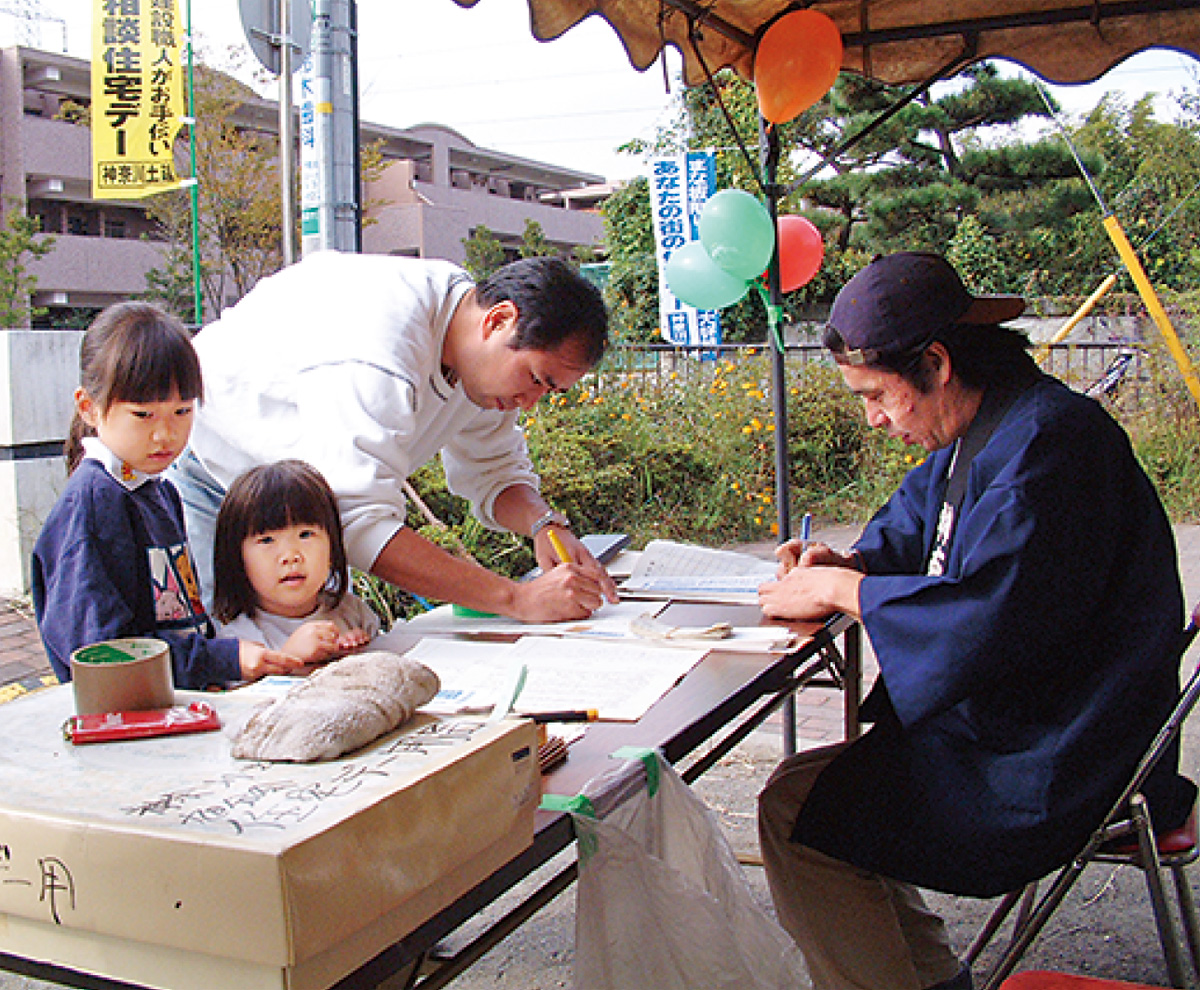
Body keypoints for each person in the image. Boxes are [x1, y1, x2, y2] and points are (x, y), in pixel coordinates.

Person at [755, 252, 1197, 990]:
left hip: (1062, 755)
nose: (873, 418)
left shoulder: (1048, 447)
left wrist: (839, 591)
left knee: (799, 812)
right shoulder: (991, 425)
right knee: (813, 794)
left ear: (936, 362)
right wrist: (847, 562)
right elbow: (913, 531)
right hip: (1034, 724)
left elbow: (988, 615)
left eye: (877, 395)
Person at [168, 251, 618, 623]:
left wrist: (544, 524)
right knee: (234, 658)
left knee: (308, 654)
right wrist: (516, 599)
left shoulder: (479, 360)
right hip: (212, 476)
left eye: (549, 390)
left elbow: (494, 472)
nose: (530, 401)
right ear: (499, 320)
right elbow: (356, 521)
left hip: (300, 510)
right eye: (536, 379)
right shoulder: (381, 344)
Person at [31, 302, 308, 690]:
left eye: (181, 411)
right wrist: (223, 659)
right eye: (143, 415)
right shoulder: (95, 502)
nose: (165, 434)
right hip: (124, 728)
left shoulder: (156, 490)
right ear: (88, 408)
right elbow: (103, 654)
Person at [212, 459, 379, 660]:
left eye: (306, 535)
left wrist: (361, 654)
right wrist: (288, 659)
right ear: (236, 557)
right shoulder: (235, 641)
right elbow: (238, 692)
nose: (291, 556)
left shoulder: (353, 613)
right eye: (267, 540)